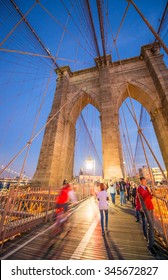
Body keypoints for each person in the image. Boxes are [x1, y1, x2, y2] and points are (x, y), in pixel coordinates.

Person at [137, 176, 155, 254]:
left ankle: (152, 242)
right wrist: (150, 192)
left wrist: (152, 193)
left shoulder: (146, 188)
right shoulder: (139, 189)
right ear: (141, 181)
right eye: (144, 181)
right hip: (146, 208)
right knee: (150, 224)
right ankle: (149, 245)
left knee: (152, 225)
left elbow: (150, 197)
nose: (145, 182)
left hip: (150, 207)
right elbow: (144, 197)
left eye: (145, 181)